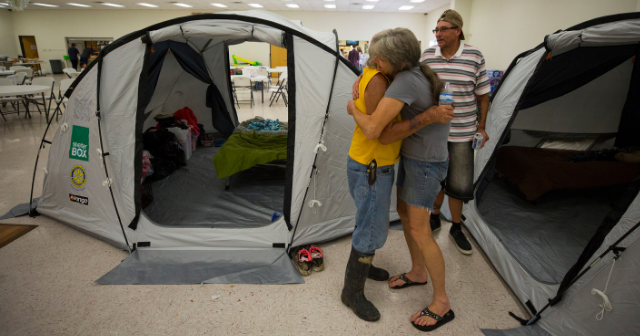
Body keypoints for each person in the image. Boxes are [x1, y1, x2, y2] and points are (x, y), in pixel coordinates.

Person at [345, 28, 455, 331]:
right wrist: (362, 86)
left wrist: (354, 108)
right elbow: (374, 72)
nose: (374, 62)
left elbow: (376, 132)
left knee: (419, 230)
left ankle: (442, 302)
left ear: (395, 60)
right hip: (408, 159)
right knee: (404, 217)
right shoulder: (404, 72)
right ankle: (418, 272)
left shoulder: (405, 79)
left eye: (380, 59)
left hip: (424, 163)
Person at [419, 9, 491, 256]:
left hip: (462, 133)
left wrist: (481, 127)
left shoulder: (474, 56)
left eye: (443, 29)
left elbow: (482, 96)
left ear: (457, 31)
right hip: (434, 132)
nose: (437, 34)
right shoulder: (428, 55)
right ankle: (435, 217)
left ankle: (457, 227)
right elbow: (416, 85)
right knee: (437, 179)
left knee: (458, 183)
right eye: (435, 30)